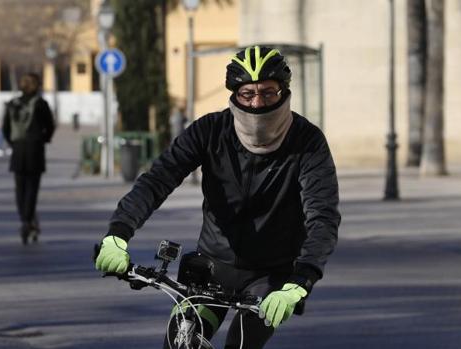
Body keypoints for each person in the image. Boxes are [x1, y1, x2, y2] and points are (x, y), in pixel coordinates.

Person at [94, 46, 340, 348]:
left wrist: (300, 280)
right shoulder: (209, 131)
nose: (257, 102)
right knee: (179, 342)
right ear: (234, 95)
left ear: (284, 92)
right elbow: (158, 179)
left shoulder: (308, 141)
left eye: (268, 92)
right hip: (211, 267)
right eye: (247, 93)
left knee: (241, 343)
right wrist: (118, 233)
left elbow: (323, 216)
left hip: (271, 275)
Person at [3, 73, 55, 245]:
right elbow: (50, 126)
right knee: (32, 188)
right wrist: (44, 139)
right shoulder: (41, 104)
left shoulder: (12, 104)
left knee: (20, 188)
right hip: (35, 150)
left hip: (18, 150)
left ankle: (24, 220)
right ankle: (27, 220)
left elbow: (5, 129)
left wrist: (14, 143)